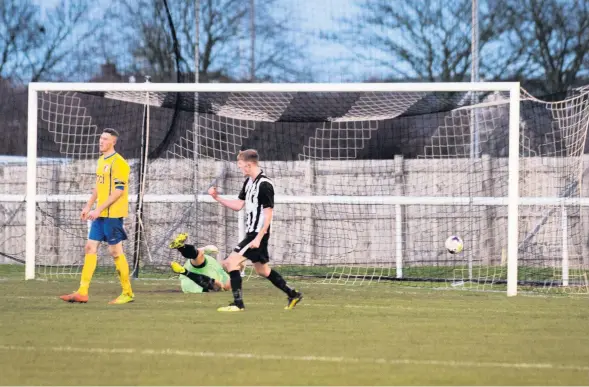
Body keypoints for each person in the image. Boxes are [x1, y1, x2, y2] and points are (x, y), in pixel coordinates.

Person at [208, 149, 303, 312]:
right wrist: (217, 198)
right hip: (253, 234)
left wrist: (259, 237)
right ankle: (293, 294)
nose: (240, 169)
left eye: (241, 165)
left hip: (257, 234)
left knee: (231, 262)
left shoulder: (264, 185)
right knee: (262, 270)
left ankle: (238, 304)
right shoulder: (249, 182)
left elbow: (268, 215)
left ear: (249, 165)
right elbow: (238, 205)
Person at [60, 128, 134, 304]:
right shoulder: (102, 160)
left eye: (106, 139)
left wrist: (98, 209)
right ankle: (82, 291)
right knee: (89, 247)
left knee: (115, 252)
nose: (101, 141)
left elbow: (118, 191)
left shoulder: (120, 163)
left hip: (113, 214)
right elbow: (98, 186)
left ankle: (128, 292)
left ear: (113, 142)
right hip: (100, 214)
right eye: (101, 138)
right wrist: (88, 205)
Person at [168, 233, 236, 293]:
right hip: (193, 276)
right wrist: (205, 249)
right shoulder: (218, 267)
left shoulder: (227, 279)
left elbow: (220, 287)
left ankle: (181, 249)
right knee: (198, 256)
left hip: (196, 286)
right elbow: (200, 251)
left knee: (218, 285)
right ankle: (181, 247)